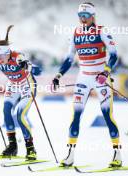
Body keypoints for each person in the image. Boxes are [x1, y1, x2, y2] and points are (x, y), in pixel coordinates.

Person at [52, 2, 122, 167]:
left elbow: (113, 56)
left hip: (100, 79)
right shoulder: (75, 33)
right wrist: (58, 75)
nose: (82, 19)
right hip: (83, 77)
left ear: (93, 16)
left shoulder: (101, 31)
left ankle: (117, 154)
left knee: (107, 115)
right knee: (76, 115)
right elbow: (69, 58)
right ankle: (70, 155)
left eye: (86, 16)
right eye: (80, 16)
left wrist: (105, 72)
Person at [0, 25, 42, 160]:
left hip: (27, 85)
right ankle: (12, 146)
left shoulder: (18, 56)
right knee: (6, 111)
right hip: (13, 85)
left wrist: (27, 66)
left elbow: (38, 71)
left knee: (20, 115)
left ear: (7, 52)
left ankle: (30, 148)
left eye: (0, 55)